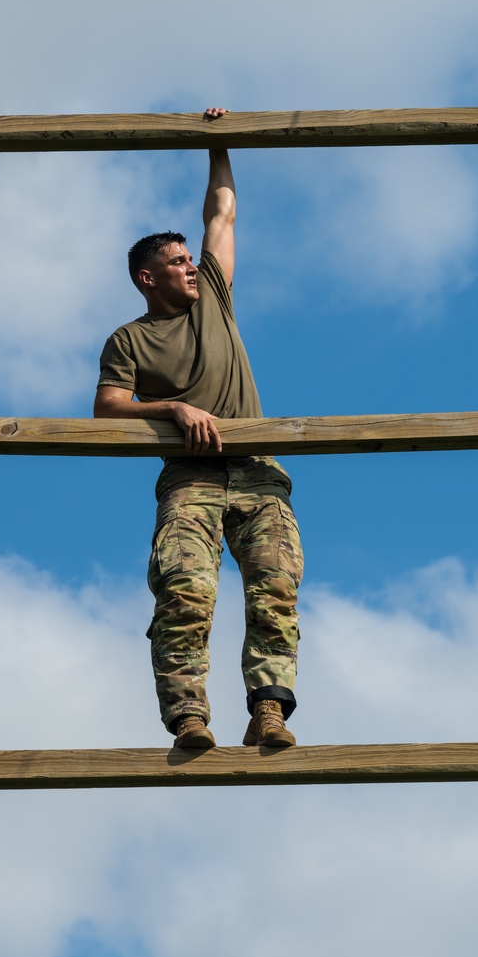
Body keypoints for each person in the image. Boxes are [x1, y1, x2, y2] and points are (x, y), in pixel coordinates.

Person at [93, 109, 302, 751]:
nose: (191, 266)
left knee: (274, 590)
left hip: (259, 473)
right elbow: (107, 407)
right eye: (177, 262)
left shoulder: (214, 292)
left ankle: (268, 711)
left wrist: (217, 142)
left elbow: (222, 211)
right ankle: (188, 715)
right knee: (185, 592)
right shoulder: (129, 338)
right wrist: (172, 409)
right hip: (192, 480)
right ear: (147, 278)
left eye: (191, 259)